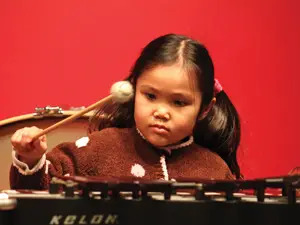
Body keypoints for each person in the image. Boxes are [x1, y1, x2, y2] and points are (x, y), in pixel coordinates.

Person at [10, 34, 241, 190]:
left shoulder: (216, 170)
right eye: (150, 96)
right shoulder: (96, 150)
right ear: (133, 91)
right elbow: (40, 196)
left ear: (205, 109)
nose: (161, 112)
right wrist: (31, 160)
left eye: (179, 102)